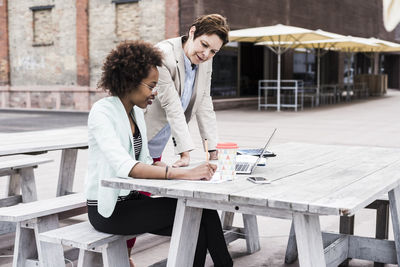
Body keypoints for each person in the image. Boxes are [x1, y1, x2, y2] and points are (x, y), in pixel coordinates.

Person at [85, 41, 233, 267]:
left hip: (132, 202)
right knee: (198, 215)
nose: (155, 92)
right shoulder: (102, 112)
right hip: (109, 211)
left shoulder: (135, 113)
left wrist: (175, 168)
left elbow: (143, 161)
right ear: (130, 80)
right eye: (151, 85)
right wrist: (185, 175)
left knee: (201, 214)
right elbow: (127, 166)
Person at [145, 14, 230, 167]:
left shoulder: (205, 61)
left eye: (213, 51)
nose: (206, 54)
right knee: (127, 185)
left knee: (145, 188)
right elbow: (172, 105)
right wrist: (185, 154)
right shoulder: (162, 55)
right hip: (141, 133)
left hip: (162, 135)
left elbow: (204, 101)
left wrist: (213, 149)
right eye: (204, 44)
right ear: (192, 32)